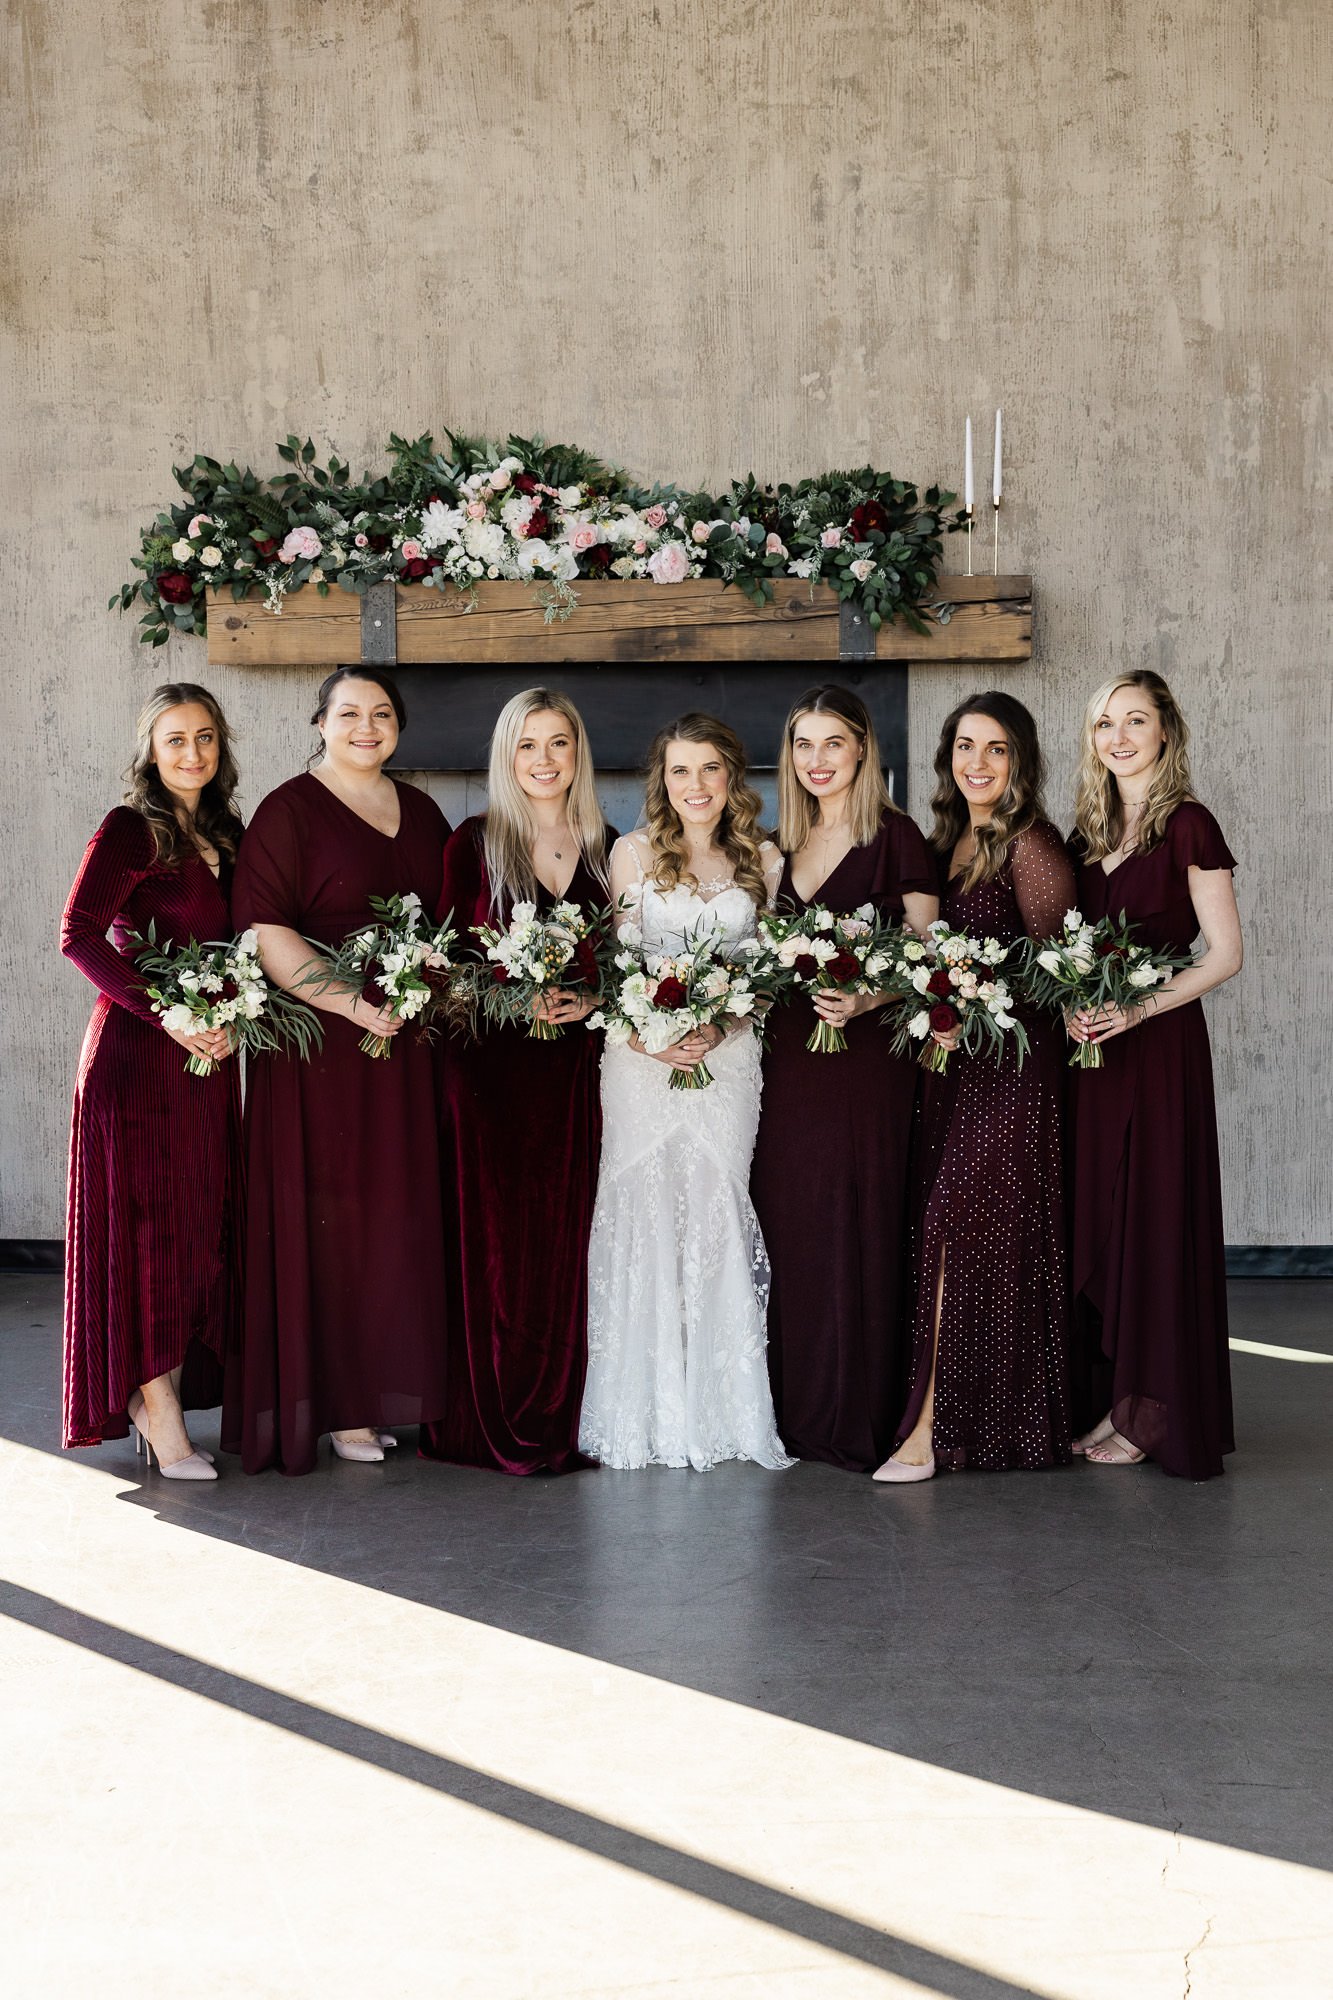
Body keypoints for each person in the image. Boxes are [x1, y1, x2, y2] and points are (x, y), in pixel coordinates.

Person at [223, 667, 451, 1475]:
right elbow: (267, 931)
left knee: (395, 1222)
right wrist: (353, 1005)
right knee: (334, 1222)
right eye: (349, 713)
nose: (367, 727)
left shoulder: (421, 812)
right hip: (321, 1052)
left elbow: (447, 928)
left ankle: (386, 1390)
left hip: (404, 1052)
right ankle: (340, 1408)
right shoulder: (288, 810)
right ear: (320, 722)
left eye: (382, 714)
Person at [579, 714, 792, 1472]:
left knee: (714, 1210)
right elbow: (612, 969)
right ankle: (641, 1412)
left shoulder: (762, 858)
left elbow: (769, 976)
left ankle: (722, 1411)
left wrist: (725, 1024)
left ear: (732, 777)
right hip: (639, 1064)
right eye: (679, 771)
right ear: (660, 781)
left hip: (727, 1068)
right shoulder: (631, 853)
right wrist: (648, 1036)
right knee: (642, 1211)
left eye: (709, 769)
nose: (695, 785)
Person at [876, 692, 1075, 1483]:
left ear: (1019, 761)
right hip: (948, 1074)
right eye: (965, 746)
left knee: (960, 1232)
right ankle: (982, 1424)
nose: (978, 764)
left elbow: (1061, 975)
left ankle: (931, 1432)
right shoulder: (944, 839)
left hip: (1014, 1075)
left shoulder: (1032, 844)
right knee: (948, 1234)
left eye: (996, 749)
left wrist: (971, 1004)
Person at [421, 688, 613, 1475]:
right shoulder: (472, 844)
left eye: (557, 743)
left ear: (577, 753)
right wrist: (507, 995)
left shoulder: (610, 848)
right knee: (492, 1247)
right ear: (507, 757)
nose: (543, 760)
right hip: (488, 1081)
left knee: (566, 1246)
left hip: (576, 1079)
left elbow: (632, 971)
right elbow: (439, 973)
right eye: (527, 745)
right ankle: (482, 1418)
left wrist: (593, 999)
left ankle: (564, 1414)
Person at [751, 685, 938, 1471]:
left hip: (866, 1066)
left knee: (857, 1223)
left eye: (834, 743)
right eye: (803, 744)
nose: (818, 759)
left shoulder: (896, 838)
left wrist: (869, 995)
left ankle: (857, 1412)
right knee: (790, 1225)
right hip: (789, 1062)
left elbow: (930, 955)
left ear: (862, 749)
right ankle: (792, 1412)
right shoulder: (776, 844)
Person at [61, 683, 244, 1480]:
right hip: (136, 1059)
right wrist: (163, 1010)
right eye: (175, 740)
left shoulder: (228, 834)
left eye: (204, 737)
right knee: (144, 1237)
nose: (192, 753)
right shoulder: (130, 830)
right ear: (151, 749)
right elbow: (76, 933)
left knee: (195, 1231)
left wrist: (239, 1011)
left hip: (206, 1061)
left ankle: (166, 1393)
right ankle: (155, 1408)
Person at [1066, 670, 1242, 1477]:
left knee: (1154, 1223)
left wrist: (1139, 1010)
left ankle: (1153, 1411)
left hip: (1159, 1051)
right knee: (1106, 1220)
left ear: (1165, 732)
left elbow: (1226, 955)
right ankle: (1116, 1396)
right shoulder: (1085, 832)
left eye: (1135, 720)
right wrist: (1074, 1003)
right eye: (1106, 722)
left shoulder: (1189, 826)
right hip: (1094, 1057)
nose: (1119, 736)